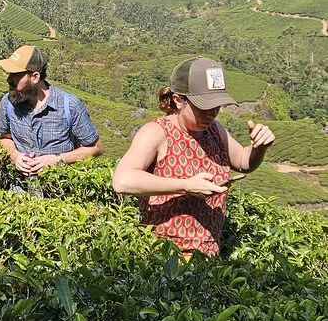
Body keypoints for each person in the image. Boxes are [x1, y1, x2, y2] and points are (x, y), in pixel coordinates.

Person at [113, 56, 275, 256]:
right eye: (203, 107)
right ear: (178, 100)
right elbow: (122, 180)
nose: (212, 114)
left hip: (208, 258)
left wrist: (259, 147)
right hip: (163, 258)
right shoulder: (157, 132)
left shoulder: (215, 130)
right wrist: (186, 185)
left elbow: (243, 162)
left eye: (216, 107)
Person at [0, 45, 103, 180]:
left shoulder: (69, 105)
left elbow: (96, 147)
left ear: (35, 77)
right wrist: (15, 155)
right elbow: (5, 138)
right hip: (19, 188)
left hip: (59, 189)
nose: (9, 79)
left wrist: (58, 160)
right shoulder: (8, 103)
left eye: (16, 75)